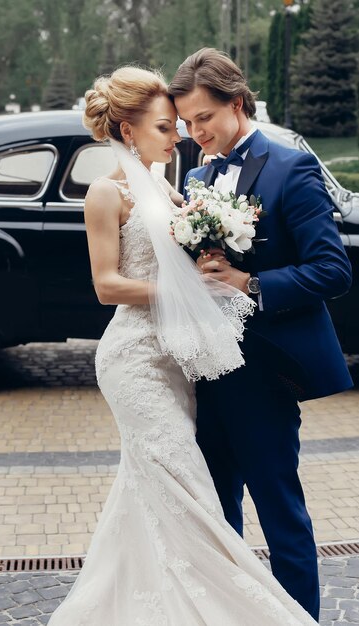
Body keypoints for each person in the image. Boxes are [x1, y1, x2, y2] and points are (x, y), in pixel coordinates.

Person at [48, 65, 319, 625]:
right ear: (128, 131)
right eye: (169, 127)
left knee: (161, 495)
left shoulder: (174, 185)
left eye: (188, 124)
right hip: (135, 361)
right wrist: (189, 286)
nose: (181, 138)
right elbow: (106, 286)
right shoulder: (106, 191)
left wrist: (224, 269)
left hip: (184, 364)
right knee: (191, 493)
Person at [169, 48, 353, 622]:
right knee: (219, 512)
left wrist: (250, 282)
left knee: (280, 511)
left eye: (205, 119)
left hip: (267, 371)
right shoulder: (197, 176)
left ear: (238, 103)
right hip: (210, 372)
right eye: (187, 123)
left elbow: (333, 270)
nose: (196, 134)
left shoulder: (289, 167)